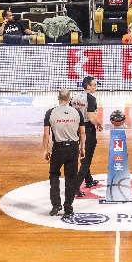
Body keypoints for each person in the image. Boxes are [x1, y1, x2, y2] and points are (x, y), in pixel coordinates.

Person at [43, 89, 85, 218]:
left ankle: (56, 205)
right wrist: (82, 148)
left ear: (58, 98)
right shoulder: (77, 112)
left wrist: (45, 149)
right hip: (73, 148)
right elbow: (82, 133)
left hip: (58, 148)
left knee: (54, 175)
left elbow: (46, 134)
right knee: (70, 179)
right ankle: (68, 208)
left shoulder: (51, 112)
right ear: (69, 98)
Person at [72, 76, 103, 197]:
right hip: (88, 130)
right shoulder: (91, 99)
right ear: (88, 86)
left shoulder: (74, 97)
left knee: (83, 155)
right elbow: (91, 117)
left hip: (76, 129)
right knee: (86, 160)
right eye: (94, 85)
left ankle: (89, 180)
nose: (96, 87)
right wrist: (99, 124)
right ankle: (75, 187)